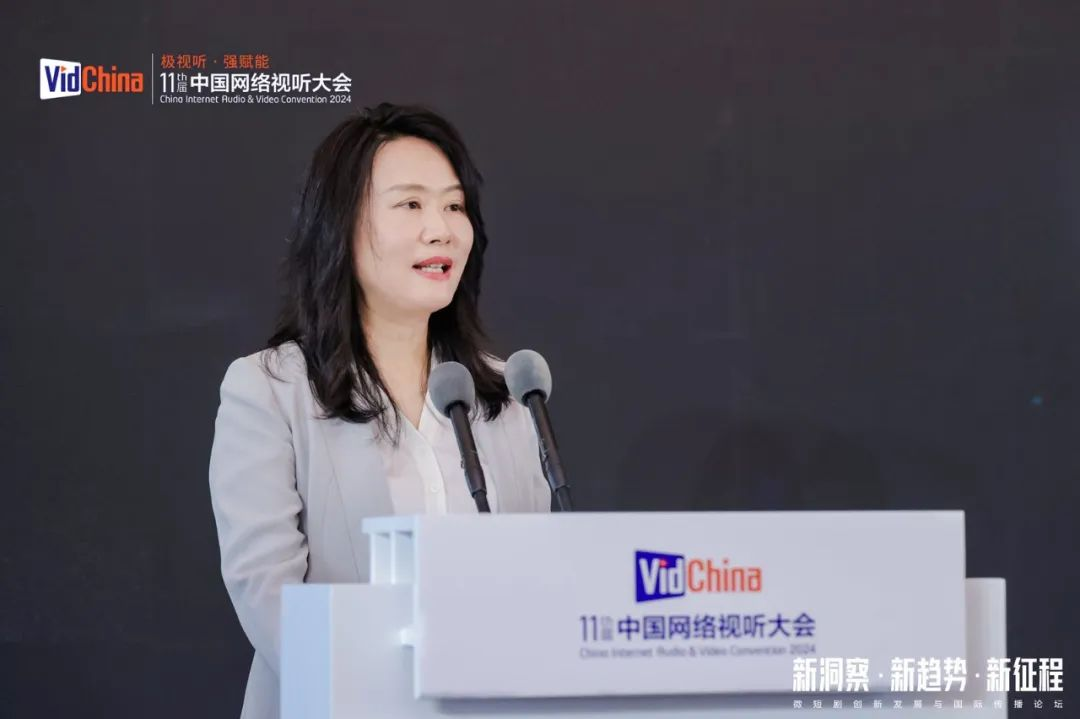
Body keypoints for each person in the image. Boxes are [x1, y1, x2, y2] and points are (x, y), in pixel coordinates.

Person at [208, 102, 552, 719]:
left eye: (454, 206)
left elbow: (539, 584)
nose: (441, 230)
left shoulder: (506, 394)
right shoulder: (270, 391)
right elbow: (271, 602)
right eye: (410, 204)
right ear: (341, 225)